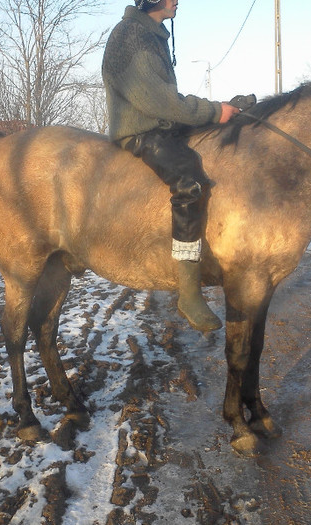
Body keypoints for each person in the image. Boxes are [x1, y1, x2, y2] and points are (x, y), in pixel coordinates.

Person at [102, 0, 241, 332]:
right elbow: (160, 101)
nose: (178, 0)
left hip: (159, 124)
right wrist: (212, 111)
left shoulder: (151, 33)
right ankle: (189, 292)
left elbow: (165, 100)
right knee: (189, 182)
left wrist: (222, 110)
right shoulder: (131, 35)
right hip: (139, 130)